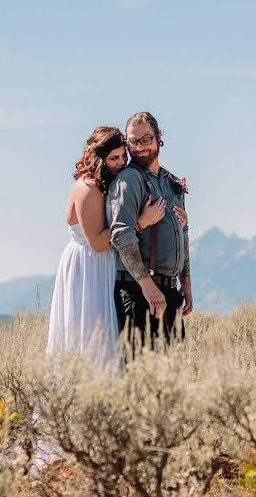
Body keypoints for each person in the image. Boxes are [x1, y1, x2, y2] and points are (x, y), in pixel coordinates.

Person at [45, 126, 171, 367]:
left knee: (110, 341)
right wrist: (142, 221)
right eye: (114, 158)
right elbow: (98, 242)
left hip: (107, 266)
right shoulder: (88, 189)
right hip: (88, 268)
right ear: (98, 158)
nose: (122, 162)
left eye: (124, 156)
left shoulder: (111, 185)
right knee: (91, 335)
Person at [108, 112, 192, 351]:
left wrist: (186, 282)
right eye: (133, 142)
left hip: (169, 291)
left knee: (172, 378)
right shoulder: (129, 181)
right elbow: (122, 237)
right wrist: (147, 286)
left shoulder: (170, 181)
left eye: (145, 139)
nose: (139, 147)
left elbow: (183, 233)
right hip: (139, 292)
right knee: (140, 378)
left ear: (159, 137)